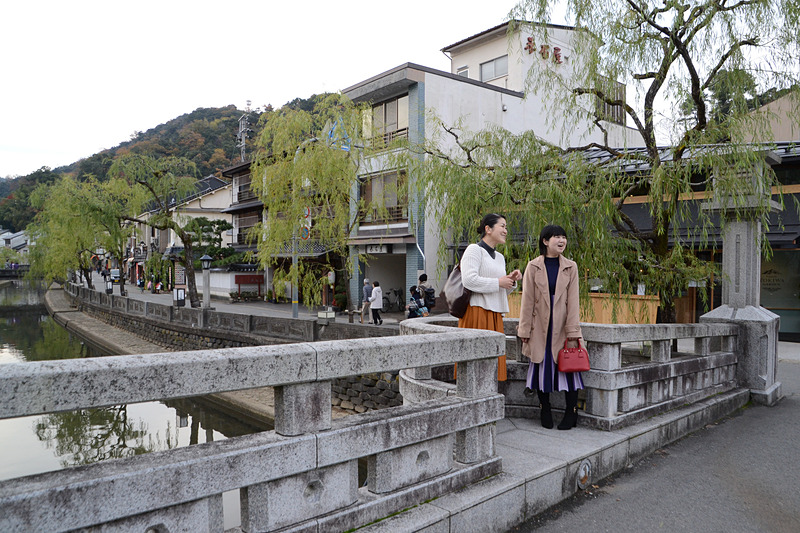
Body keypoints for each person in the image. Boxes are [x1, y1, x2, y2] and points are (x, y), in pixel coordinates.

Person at [517, 224, 583, 430]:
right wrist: (524, 330)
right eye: (557, 237)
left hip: (563, 325)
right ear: (545, 241)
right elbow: (527, 300)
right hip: (540, 326)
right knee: (541, 368)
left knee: (569, 369)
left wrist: (573, 330)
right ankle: (544, 408)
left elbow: (573, 302)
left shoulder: (571, 267)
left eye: (564, 237)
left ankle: (571, 412)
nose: (562, 240)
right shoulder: (533, 266)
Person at [458, 213, 522, 381]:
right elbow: (469, 281)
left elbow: (498, 289)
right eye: (502, 226)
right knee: (476, 364)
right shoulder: (474, 249)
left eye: (506, 227)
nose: (506, 231)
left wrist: (510, 282)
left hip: (495, 314)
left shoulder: (500, 257)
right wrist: (498, 282)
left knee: (492, 363)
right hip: (477, 311)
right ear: (488, 229)